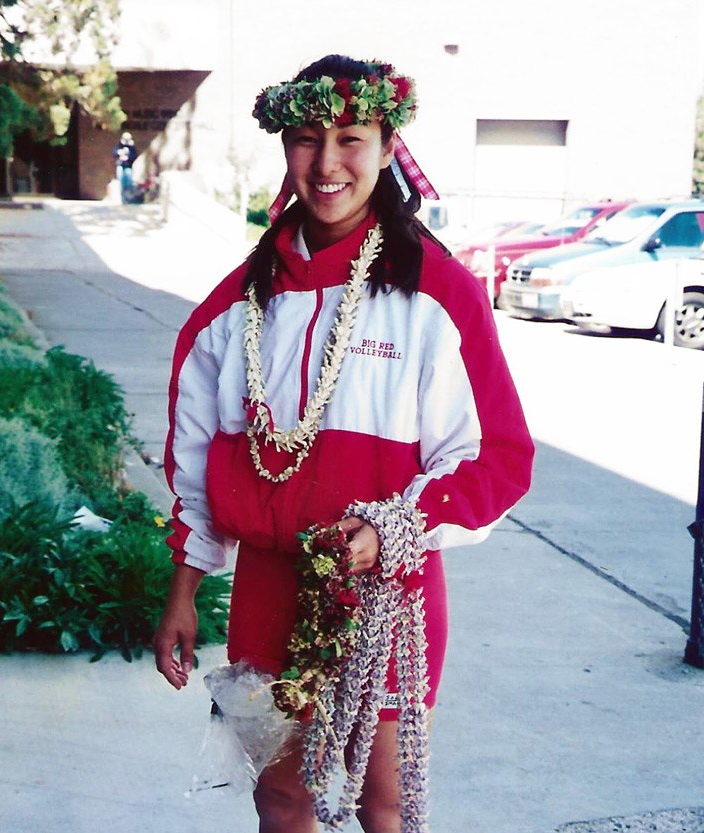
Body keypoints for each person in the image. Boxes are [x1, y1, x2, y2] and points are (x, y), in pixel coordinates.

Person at [153, 54, 534, 833]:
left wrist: (390, 528)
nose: (326, 164)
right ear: (284, 147)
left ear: (390, 147)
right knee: (282, 799)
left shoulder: (436, 293)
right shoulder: (231, 310)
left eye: (351, 138)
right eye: (304, 139)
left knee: (382, 803)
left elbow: (497, 455)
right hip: (267, 589)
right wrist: (183, 594)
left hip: (385, 600)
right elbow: (194, 468)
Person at [112, 131, 137, 203]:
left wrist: (128, 158)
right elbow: (114, 153)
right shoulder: (119, 146)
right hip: (120, 166)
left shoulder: (131, 147)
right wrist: (119, 152)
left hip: (128, 166)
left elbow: (134, 156)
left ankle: (128, 198)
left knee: (128, 182)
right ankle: (122, 198)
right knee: (120, 181)